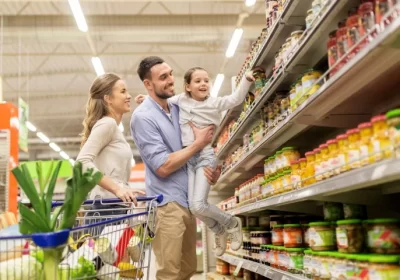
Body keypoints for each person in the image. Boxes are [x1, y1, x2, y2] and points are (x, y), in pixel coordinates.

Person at [135, 66, 257, 257]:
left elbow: (235, 99)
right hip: (187, 160)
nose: (203, 84)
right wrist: (144, 100)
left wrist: (247, 80)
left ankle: (231, 223)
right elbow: (159, 101)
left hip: (205, 156)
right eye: (198, 81)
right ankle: (217, 229)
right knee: (194, 207)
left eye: (206, 80)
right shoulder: (180, 100)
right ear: (188, 86)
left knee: (199, 205)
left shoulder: (215, 103)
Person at [130, 56, 221, 280]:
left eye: (171, 74)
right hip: (167, 204)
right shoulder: (143, 117)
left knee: (188, 268)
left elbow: (199, 145)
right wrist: (198, 144)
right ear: (148, 84)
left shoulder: (178, 107)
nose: (171, 80)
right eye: (163, 77)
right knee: (169, 272)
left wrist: (211, 169)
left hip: (188, 199)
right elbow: (162, 166)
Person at [76, 73, 145, 217]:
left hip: (112, 206)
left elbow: (110, 171)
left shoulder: (112, 127)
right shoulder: (108, 123)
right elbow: (82, 163)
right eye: (123, 91)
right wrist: (117, 189)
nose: (129, 96)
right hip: (107, 209)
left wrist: (124, 188)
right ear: (108, 99)